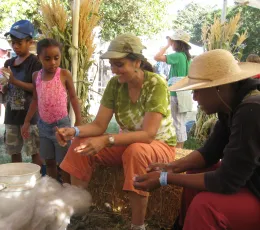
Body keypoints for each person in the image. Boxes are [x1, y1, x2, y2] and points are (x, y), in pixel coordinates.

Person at [55, 33, 176, 230]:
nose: (113, 70)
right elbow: (99, 125)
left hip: (159, 145)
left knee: (136, 151)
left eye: (119, 64)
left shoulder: (156, 84)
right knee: (80, 144)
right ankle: (78, 212)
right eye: (112, 64)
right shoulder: (115, 85)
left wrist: (107, 140)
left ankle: (138, 226)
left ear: (137, 62)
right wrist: (74, 131)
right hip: (129, 142)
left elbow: (148, 135)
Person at [133, 49, 260, 230]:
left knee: (206, 206)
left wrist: (164, 178)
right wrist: (172, 167)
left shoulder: (251, 111)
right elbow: (209, 153)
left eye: (197, 90)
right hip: (251, 182)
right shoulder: (232, 106)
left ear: (219, 88)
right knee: (194, 172)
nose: (194, 98)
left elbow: (226, 181)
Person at [21, 38, 81, 183]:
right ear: (39, 58)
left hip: (62, 127)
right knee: (49, 162)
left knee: (64, 164)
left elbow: (73, 97)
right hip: (43, 127)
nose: (53, 62)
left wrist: (79, 121)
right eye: (47, 59)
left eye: (56, 58)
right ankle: (53, 191)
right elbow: (35, 100)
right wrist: (27, 121)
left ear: (60, 56)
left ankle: (66, 192)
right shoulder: (36, 76)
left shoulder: (64, 74)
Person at [0, 20, 42, 165]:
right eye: (13, 42)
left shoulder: (35, 63)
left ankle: (40, 183)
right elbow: (7, 89)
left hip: (29, 117)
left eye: (19, 42)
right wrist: (4, 86)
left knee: (35, 152)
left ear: (29, 42)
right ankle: (18, 182)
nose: (15, 46)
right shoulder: (9, 63)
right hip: (11, 116)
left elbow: (37, 89)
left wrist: (13, 81)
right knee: (14, 153)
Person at [154, 30, 193, 149]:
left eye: (173, 42)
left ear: (178, 43)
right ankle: (179, 148)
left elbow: (157, 57)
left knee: (176, 122)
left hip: (176, 93)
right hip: (185, 91)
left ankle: (177, 149)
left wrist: (166, 45)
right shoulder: (187, 58)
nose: (171, 44)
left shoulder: (177, 56)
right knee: (180, 121)